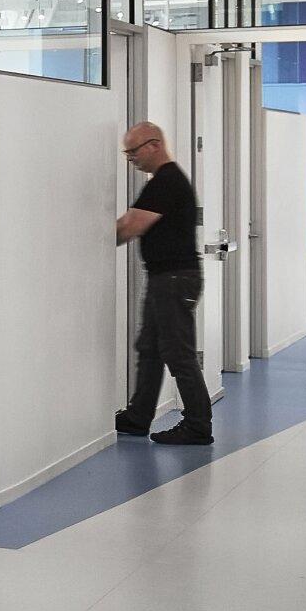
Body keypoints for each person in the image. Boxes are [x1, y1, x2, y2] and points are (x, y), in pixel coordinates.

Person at [116, 122, 215, 446]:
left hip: (174, 280)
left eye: (133, 151)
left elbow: (130, 227)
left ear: (153, 145)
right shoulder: (163, 181)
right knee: (149, 348)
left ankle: (198, 425)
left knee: (178, 352)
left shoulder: (166, 181)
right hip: (164, 277)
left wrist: (93, 237)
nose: (129, 157)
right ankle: (138, 416)